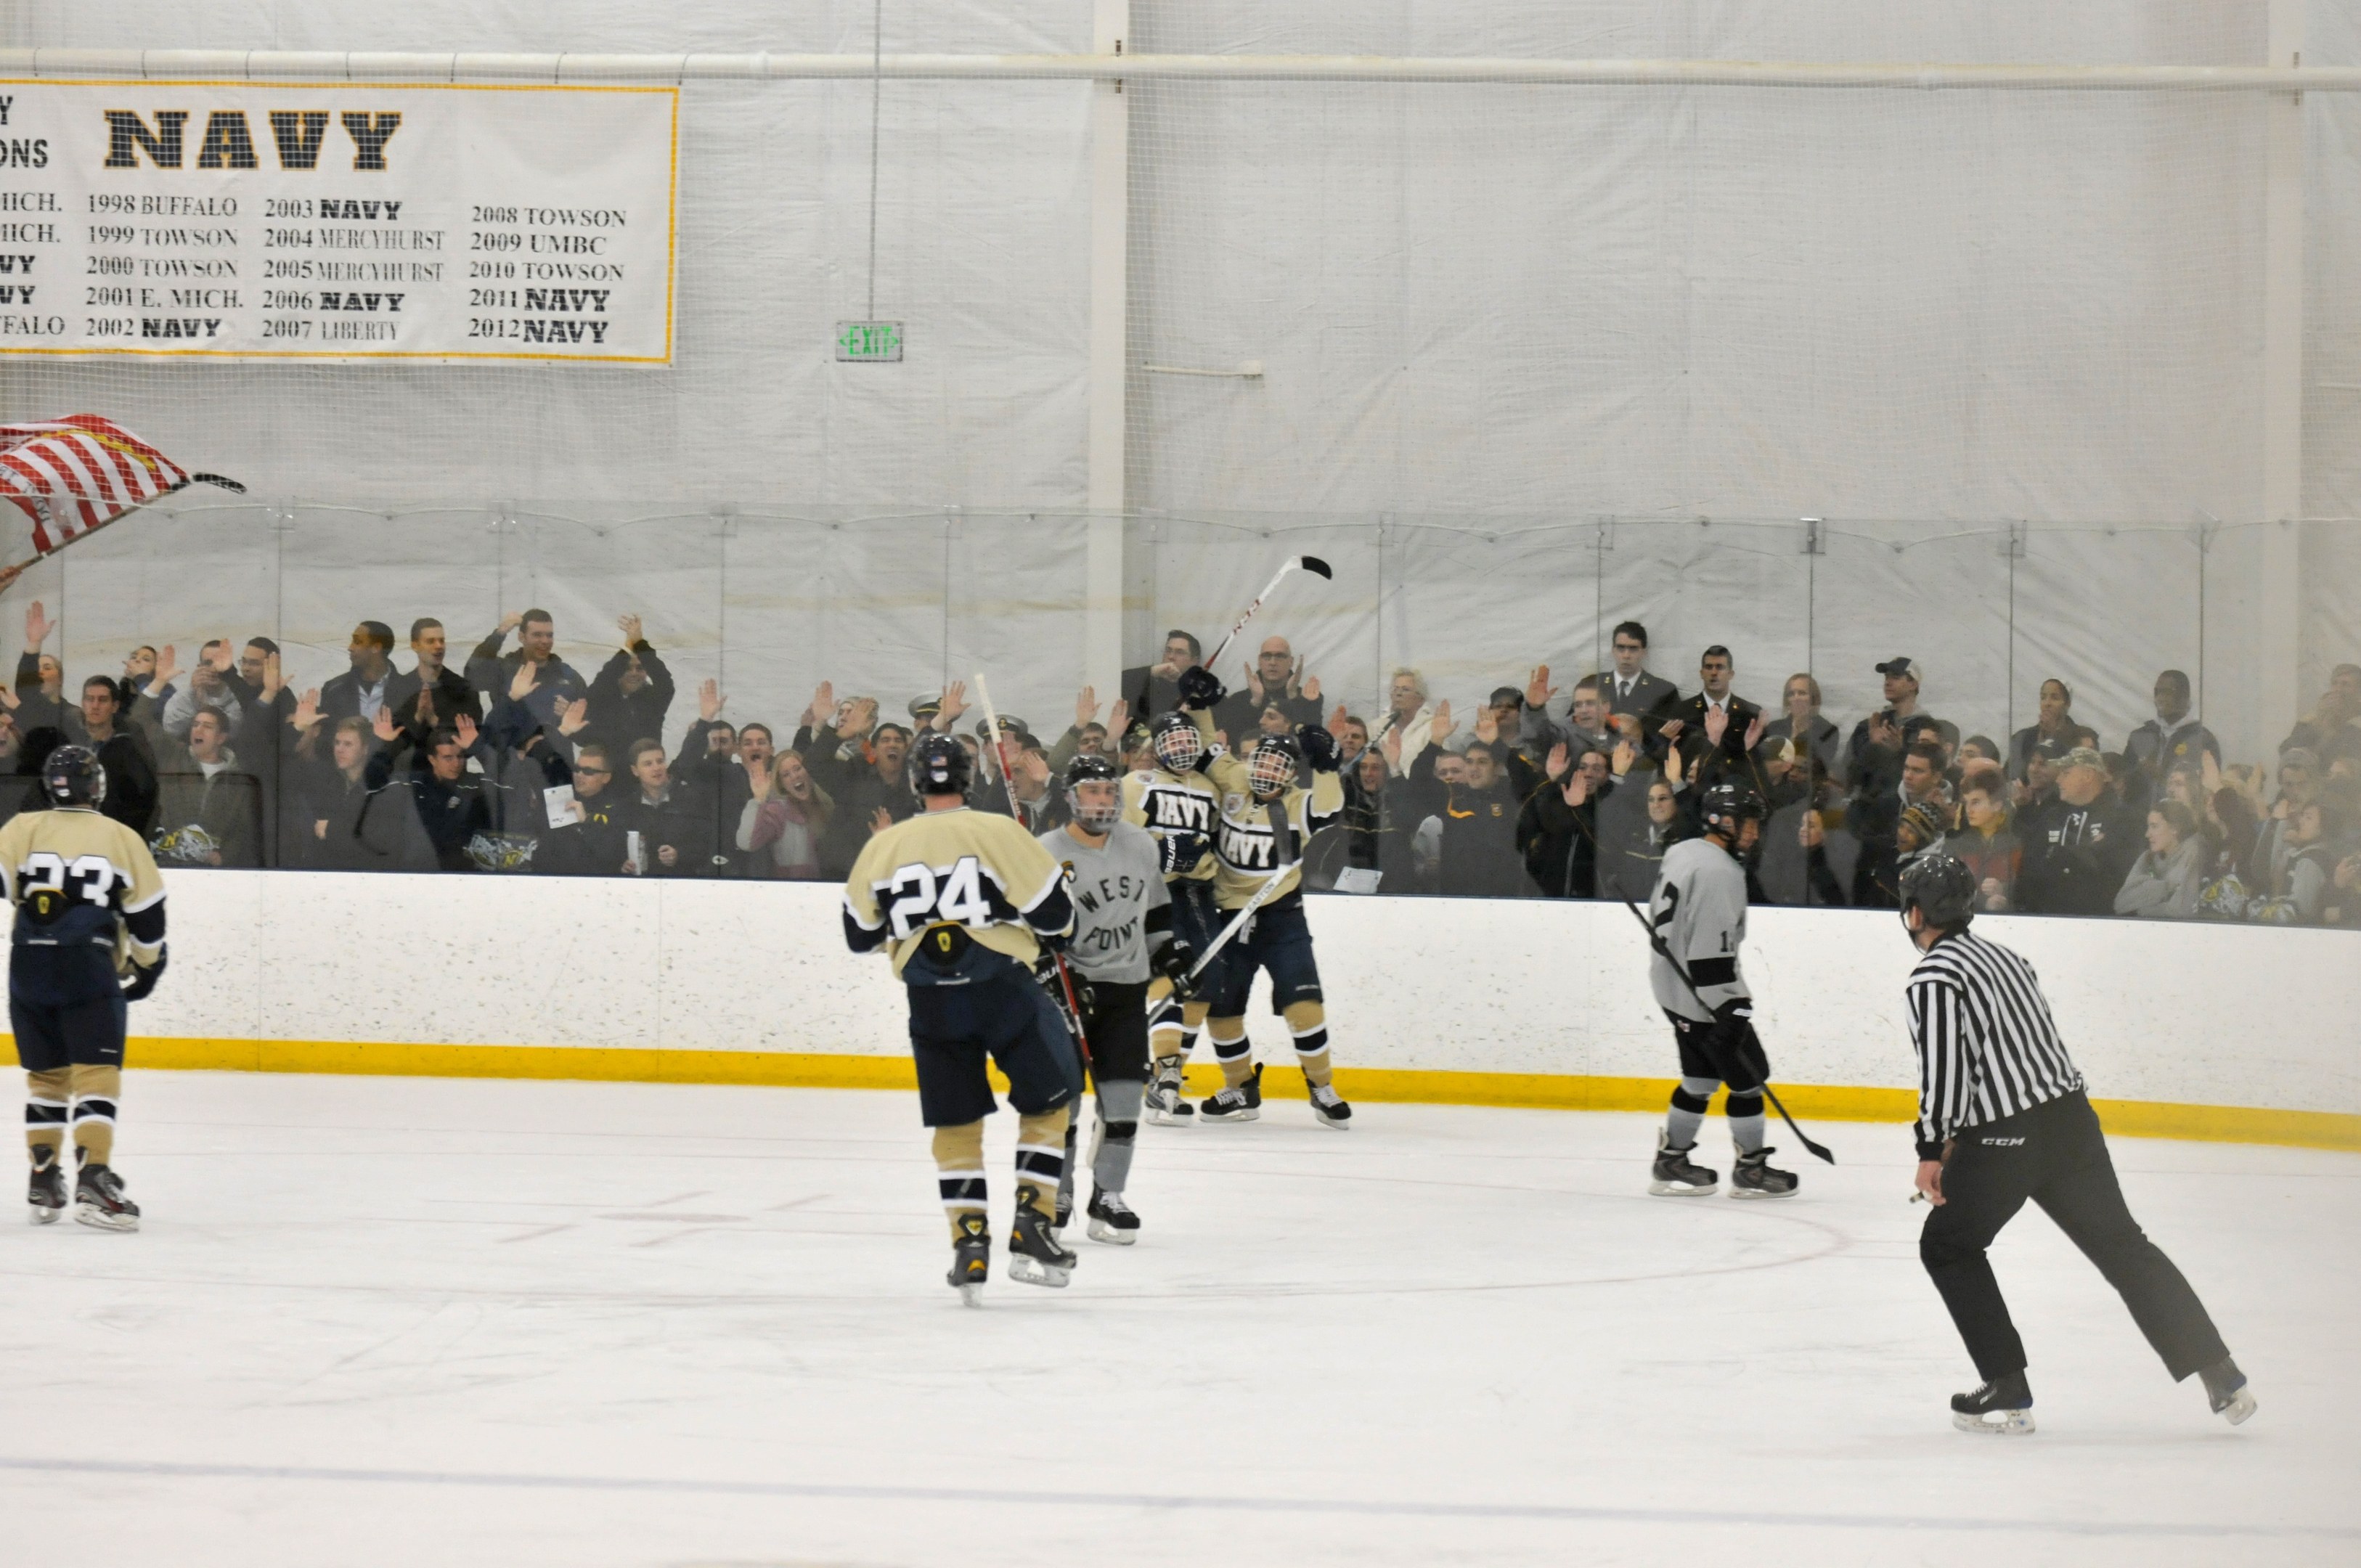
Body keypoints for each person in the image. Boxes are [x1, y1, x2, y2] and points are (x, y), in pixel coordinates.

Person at [1896, 854, 2254, 1435]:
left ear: (1914, 912)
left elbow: (1946, 1074)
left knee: (1949, 1247)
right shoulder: (2010, 959)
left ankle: (2007, 1386)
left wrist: (1931, 1149)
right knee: (2123, 1246)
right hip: (2071, 1124)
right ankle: (2220, 1370)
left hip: (2004, 1138)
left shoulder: (1934, 977)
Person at [841, 731, 1082, 1302]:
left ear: (915, 781)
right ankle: (1033, 1222)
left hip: (931, 1001)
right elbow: (1057, 918)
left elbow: (859, 935)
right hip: (1002, 986)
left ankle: (969, 1242)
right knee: (1051, 1103)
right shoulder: (999, 830)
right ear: (969, 778)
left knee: (955, 1124)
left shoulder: (884, 846)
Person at [3, 746, 168, 1231]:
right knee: (96, 1072)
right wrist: (147, 965)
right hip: (88, 968)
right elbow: (148, 918)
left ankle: (43, 1174)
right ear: (96, 787)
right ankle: (93, 1177)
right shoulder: (121, 837)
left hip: (27, 964)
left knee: (47, 1077)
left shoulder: (21, 828)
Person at [1179, 667, 1351, 1128]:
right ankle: (1239, 1089)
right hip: (1228, 915)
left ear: (1291, 776)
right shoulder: (1234, 778)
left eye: (1278, 770)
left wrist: (1330, 766)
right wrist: (1199, 704)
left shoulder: (1298, 805)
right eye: (1262, 765)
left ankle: (1321, 1086)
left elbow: (1331, 806)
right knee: (1223, 1011)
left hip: (1282, 917)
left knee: (1304, 1005)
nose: (1266, 774)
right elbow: (1204, 747)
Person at [1038, 755, 1196, 1244]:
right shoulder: (1046, 853)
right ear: (1071, 798)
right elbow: (1032, 932)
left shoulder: (1138, 843)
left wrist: (1170, 955)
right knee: (1062, 1105)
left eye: (1109, 791)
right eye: (1091, 792)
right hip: (1070, 993)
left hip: (1126, 988)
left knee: (1124, 1099)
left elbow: (1155, 911)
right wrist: (1051, 974)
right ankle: (1055, 1196)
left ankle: (1108, 1194)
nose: (1102, 801)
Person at [1642, 779, 1797, 1201]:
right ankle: (1751, 1168)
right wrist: (1733, 1007)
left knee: (1699, 1078)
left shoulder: (1684, 851)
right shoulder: (1721, 872)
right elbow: (1710, 955)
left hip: (1672, 990)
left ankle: (1671, 1159)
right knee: (1748, 1081)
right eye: (1747, 823)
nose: (1754, 831)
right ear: (1721, 821)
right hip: (1707, 996)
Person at [1122, 711, 1224, 1125]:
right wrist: (1162, 851)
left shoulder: (1209, 788)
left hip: (1198, 893)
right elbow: (1118, 839)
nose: (1182, 748)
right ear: (1156, 747)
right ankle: (1164, 1075)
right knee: (1168, 972)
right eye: (1173, 741)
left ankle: (1167, 1075)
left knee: (1206, 979)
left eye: (1188, 740)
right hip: (1153, 891)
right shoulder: (1135, 785)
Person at [2015, 747, 2140, 917]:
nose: (2058, 780)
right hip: (2048, 920)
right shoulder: (2053, 816)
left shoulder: (2125, 819)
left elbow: (2118, 872)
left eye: (2066, 773)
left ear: (2088, 776)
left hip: (2103, 923)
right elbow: (2030, 866)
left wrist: (2060, 856)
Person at [146, 706, 264, 869]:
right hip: (165, 864)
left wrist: (224, 857)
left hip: (212, 872)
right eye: (195, 725)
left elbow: (244, 831)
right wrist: (157, 684)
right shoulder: (174, 756)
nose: (198, 730)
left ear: (221, 738)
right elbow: (140, 721)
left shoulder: (238, 780)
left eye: (207, 726)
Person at [1661, 645, 1765, 791]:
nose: (1714, 673)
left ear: (1731, 674)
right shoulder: (1682, 711)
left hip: (1737, 790)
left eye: (1720, 667)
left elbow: (1758, 762)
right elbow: (1668, 758)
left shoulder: (1749, 714)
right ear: (1701, 673)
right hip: (1691, 794)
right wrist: (1664, 740)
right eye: (1709, 667)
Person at [2121, 671, 2219, 813]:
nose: (2160, 698)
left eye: (2167, 692)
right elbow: (2124, 784)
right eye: (2157, 692)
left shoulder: (2202, 739)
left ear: (2185, 696)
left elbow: (2207, 789)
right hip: (2139, 824)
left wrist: (2163, 775)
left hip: (2181, 822)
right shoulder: (2140, 736)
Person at [383, 618, 484, 751]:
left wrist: (434, 720)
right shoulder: (399, 689)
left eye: (441, 641)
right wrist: (418, 718)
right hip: (409, 769)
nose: (438, 646)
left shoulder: (463, 689)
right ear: (415, 645)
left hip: (451, 767)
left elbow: (472, 741)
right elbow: (391, 742)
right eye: (431, 641)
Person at [736, 748, 833, 879]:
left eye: (798, 769)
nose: (794, 776)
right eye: (786, 775)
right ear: (782, 784)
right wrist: (758, 799)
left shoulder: (829, 804)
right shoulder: (778, 811)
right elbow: (746, 843)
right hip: (793, 891)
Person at [2114, 801, 2205, 919]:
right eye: (2148, 827)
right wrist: (2165, 888)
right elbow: (2121, 904)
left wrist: (2140, 907)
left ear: (2174, 829)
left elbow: (2180, 911)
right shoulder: (2147, 858)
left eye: (2154, 826)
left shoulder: (2194, 853)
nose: (2147, 834)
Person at [1602, 621, 1681, 751]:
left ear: (1643, 652)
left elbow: (1675, 741)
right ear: (1613, 650)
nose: (1626, 655)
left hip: (1645, 766)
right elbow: (1574, 728)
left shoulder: (1664, 692)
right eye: (1621, 648)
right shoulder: (1594, 686)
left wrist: (1661, 739)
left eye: (1633, 649)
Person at [1949, 777, 2021, 912]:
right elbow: (1947, 894)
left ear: (1997, 805)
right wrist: (1983, 903)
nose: (1969, 810)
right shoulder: (1954, 846)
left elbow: (2032, 889)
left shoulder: (2018, 843)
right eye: (1967, 803)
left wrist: (2004, 890)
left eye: (1976, 803)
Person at [1760, 674, 1841, 781]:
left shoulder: (1828, 731)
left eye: (1802, 693)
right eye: (1791, 694)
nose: (1796, 698)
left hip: (1808, 788)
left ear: (1813, 698)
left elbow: (1816, 767)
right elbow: (1765, 765)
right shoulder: (1774, 728)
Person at [321, 621, 399, 724]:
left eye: (357, 642)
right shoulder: (334, 689)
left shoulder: (407, 690)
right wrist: (343, 727)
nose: (350, 648)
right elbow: (324, 736)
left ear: (376, 648)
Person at [2007, 679, 2083, 784]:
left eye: (2055, 698)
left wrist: (2053, 734)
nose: (2047, 703)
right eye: (2043, 698)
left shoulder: (2082, 738)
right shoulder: (2022, 737)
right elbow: (2013, 777)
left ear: (2067, 703)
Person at [1121, 629, 1202, 724]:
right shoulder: (1147, 682)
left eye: (1180, 652)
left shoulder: (1200, 692)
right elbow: (1117, 681)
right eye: (1168, 650)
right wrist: (1152, 671)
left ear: (1194, 661)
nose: (1171, 656)